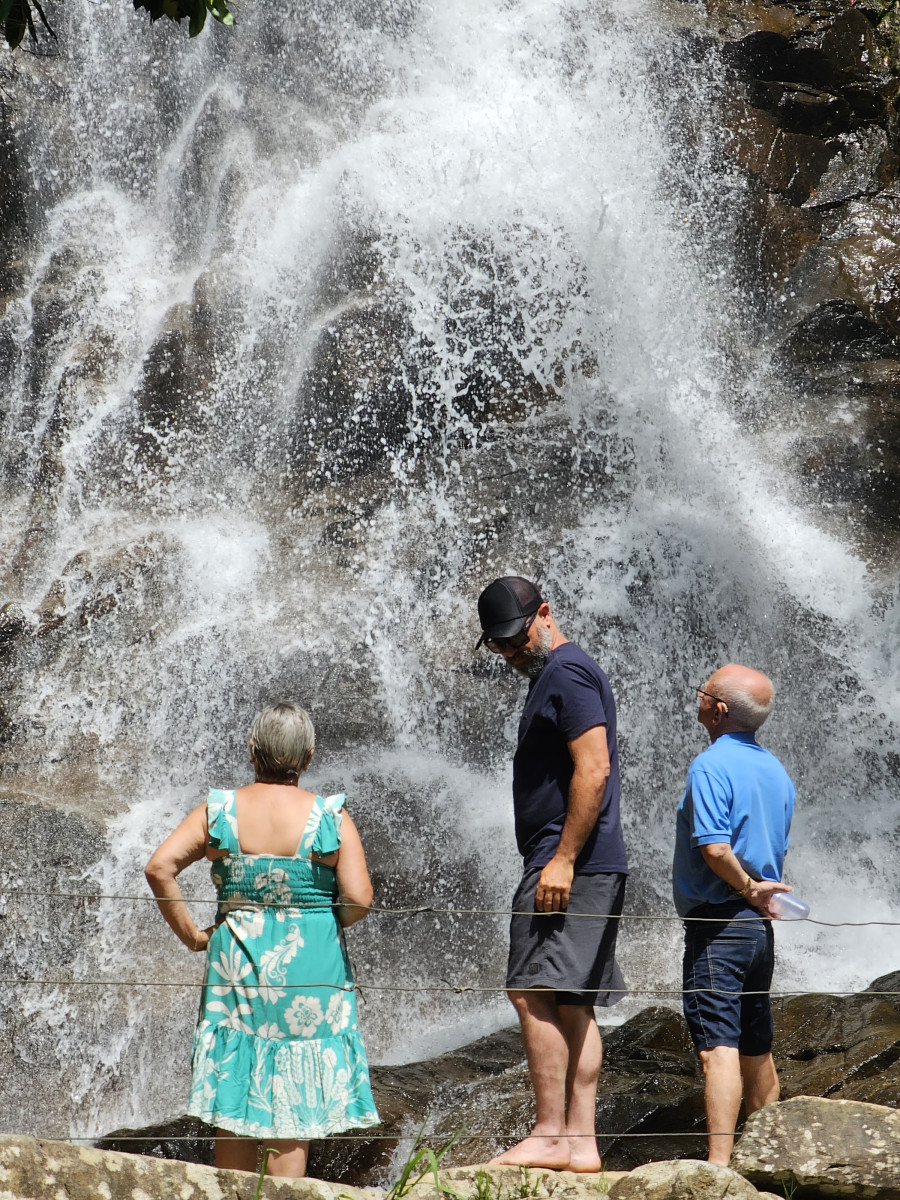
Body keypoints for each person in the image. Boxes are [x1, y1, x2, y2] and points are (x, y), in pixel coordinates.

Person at [145, 701, 379, 1179]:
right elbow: (358, 899)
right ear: (309, 758)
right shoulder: (330, 818)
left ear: (252, 750)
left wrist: (194, 936)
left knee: (236, 1087)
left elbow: (159, 867)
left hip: (238, 965)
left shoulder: (220, 812)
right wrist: (316, 919)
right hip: (311, 972)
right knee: (292, 1102)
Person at [475, 576, 629, 1172]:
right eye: (499, 646)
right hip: (584, 860)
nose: (511, 653)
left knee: (531, 989)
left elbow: (594, 769)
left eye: (516, 639)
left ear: (545, 613)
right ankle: (581, 1143)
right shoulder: (559, 674)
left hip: (569, 861)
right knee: (571, 1000)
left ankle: (549, 1133)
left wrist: (561, 858)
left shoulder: (566, 673)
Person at [673, 665, 796, 1166]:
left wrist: (745, 888)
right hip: (758, 931)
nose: (697, 697)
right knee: (756, 1045)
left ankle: (719, 1169)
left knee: (716, 1047)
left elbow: (716, 849)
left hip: (720, 922)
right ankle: (773, 1162)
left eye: (702, 690)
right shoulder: (777, 771)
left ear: (718, 709)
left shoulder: (709, 765)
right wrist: (758, 896)